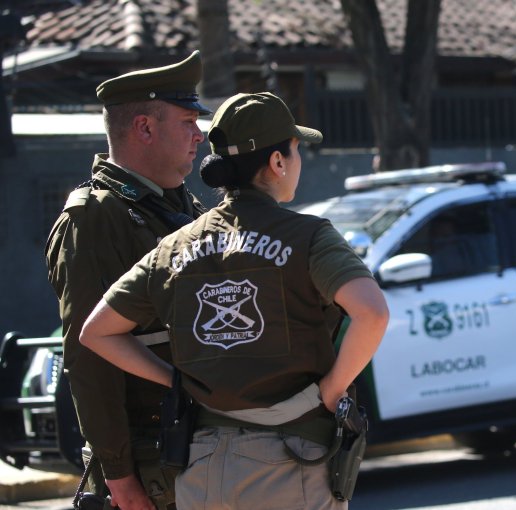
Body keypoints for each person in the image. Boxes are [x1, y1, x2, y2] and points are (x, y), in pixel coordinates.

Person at [79, 92, 389, 510]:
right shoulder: (309, 236)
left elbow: (96, 332)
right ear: (277, 162)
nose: (298, 161)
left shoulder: (174, 246)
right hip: (289, 466)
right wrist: (332, 389)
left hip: (200, 470)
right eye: (295, 150)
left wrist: (177, 380)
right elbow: (372, 313)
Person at [45, 51, 212, 510]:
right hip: (150, 458)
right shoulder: (96, 219)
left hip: (197, 446)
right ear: (144, 128)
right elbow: (89, 357)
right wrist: (119, 476)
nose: (199, 135)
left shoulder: (183, 208)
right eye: (188, 122)